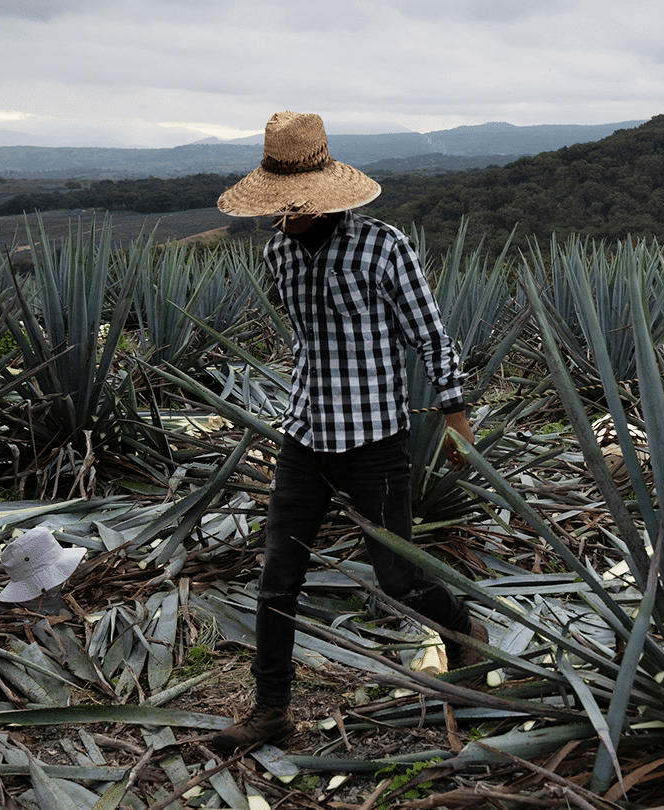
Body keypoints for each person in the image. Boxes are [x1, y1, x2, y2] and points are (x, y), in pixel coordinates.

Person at [210, 111, 486, 754]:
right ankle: (271, 707)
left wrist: (455, 417)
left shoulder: (384, 247)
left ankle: (460, 625)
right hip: (305, 433)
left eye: (293, 205)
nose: (284, 216)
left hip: (375, 441)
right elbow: (304, 336)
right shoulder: (278, 252)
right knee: (279, 576)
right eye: (276, 206)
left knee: (400, 580)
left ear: (324, 194)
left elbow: (430, 334)